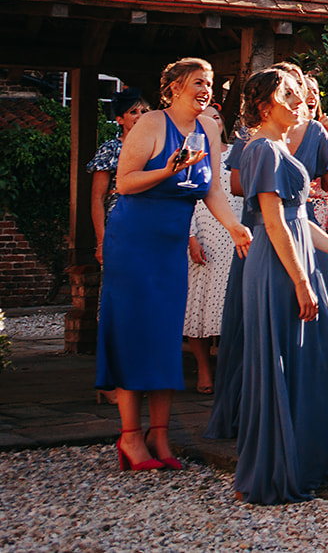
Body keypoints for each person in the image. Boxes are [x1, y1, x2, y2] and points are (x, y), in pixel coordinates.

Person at [206, 64, 328, 443]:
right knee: (287, 359)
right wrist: (302, 282)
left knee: (315, 355)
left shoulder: (278, 146)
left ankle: (305, 450)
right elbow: (275, 223)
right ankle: (280, 458)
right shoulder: (263, 150)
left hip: (296, 250)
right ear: (265, 108)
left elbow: (297, 217)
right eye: (288, 95)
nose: (300, 101)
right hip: (278, 262)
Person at [97, 57, 251, 471]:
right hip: (133, 242)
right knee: (134, 333)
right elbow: (123, 182)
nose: (207, 89)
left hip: (170, 248)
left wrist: (235, 227)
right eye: (199, 82)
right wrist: (166, 170)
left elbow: (212, 190)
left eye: (212, 83)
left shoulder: (211, 129)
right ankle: (130, 437)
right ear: (175, 87)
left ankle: (160, 435)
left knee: (165, 335)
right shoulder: (150, 125)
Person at [184, 104, 236, 394]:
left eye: (217, 116)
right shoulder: (193, 154)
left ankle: (228, 369)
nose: (213, 122)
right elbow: (186, 195)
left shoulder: (237, 152)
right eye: (206, 119)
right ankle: (204, 370)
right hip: (203, 230)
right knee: (201, 303)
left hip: (235, 228)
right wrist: (191, 237)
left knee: (231, 304)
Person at [90, 88, 147, 265]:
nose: (140, 116)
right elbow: (97, 197)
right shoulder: (111, 149)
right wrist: (101, 242)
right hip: (121, 218)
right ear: (120, 119)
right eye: (133, 112)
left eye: (144, 111)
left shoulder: (158, 147)